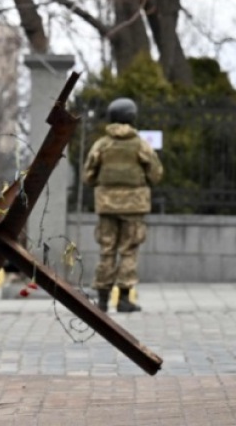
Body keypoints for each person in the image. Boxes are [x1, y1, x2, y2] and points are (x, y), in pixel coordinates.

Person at [85, 97, 163, 313]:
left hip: (107, 206)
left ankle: (102, 300)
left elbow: (88, 176)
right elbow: (156, 174)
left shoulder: (101, 144)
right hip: (134, 207)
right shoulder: (140, 145)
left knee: (107, 251)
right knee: (128, 251)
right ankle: (124, 300)